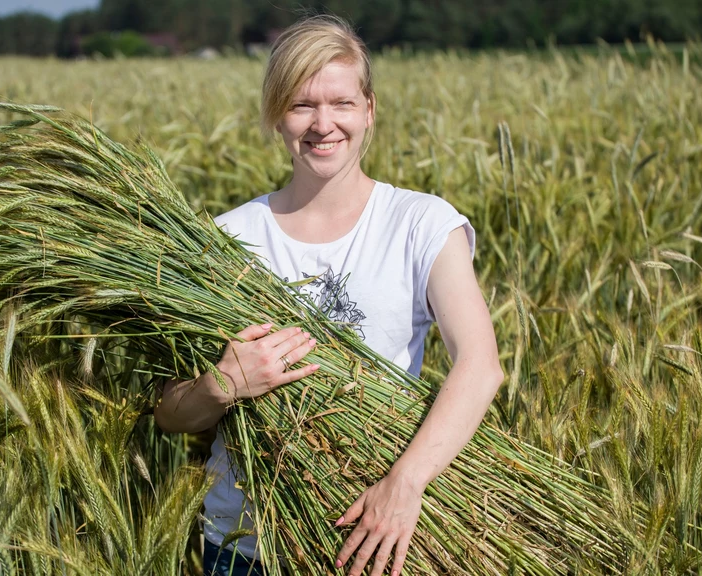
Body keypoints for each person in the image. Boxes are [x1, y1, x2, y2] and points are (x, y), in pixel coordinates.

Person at [154, 14, 504, 576]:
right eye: (301, 105)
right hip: (244, 546)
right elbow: (170, 414)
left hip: (374, 539)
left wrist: (403, 485)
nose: (323, 124)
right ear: (275, 116)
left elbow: (481, 366)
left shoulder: (421, 223)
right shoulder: (226, 240)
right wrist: (220, 386)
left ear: (369, 110)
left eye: (341, 103)